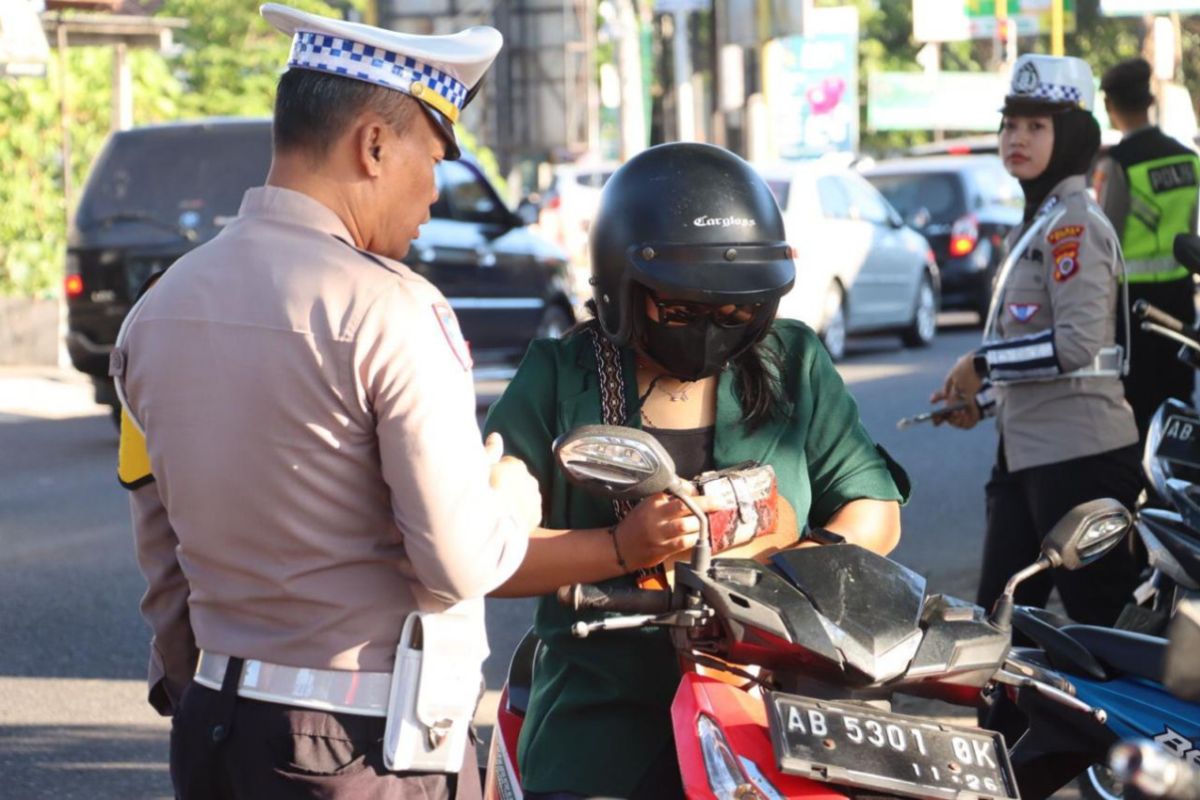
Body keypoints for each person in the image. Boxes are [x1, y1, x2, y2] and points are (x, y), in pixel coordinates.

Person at [113, 4, 541, 798]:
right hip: (362, 748)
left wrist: (196, 694)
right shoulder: (394, 310)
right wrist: (508, 498)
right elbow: (456, 562)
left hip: (214, 729)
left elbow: (162, 559)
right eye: (432, 158)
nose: (434, 193)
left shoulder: (156, 310)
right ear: (373, 145)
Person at [483, 142, 910, 800]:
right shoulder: (558, 377)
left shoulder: (792, 362)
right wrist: (620, 547)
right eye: (680, 309)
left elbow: (874, 509)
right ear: (622, 290)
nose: (710, 329)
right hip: (603, 721)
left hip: (775, 706)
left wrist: (791, 568)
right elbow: (486, 552)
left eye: (735, 311)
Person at [932, 55, 1143, 628]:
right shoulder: (1038, 222)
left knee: (1104, 629)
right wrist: (981, 402)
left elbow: (1076, 346)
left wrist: (982, 363)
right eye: (1010, 124)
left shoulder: (1075, 226)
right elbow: (1043, 357)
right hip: (1026, 457)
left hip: (1080, 462)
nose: (1016, 138)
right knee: (997, 626)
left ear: (1070, 135)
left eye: (1036, 126)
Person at [1093, 57, 1200, 436]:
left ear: (1109, 106)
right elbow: (1192, 232)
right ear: (1149, 101)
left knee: (1137, 407)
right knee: (1178, 404)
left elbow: (1105, 238)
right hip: (1180, 299)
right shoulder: (1188, 159)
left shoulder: (1117, 164)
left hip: (1133, 306)